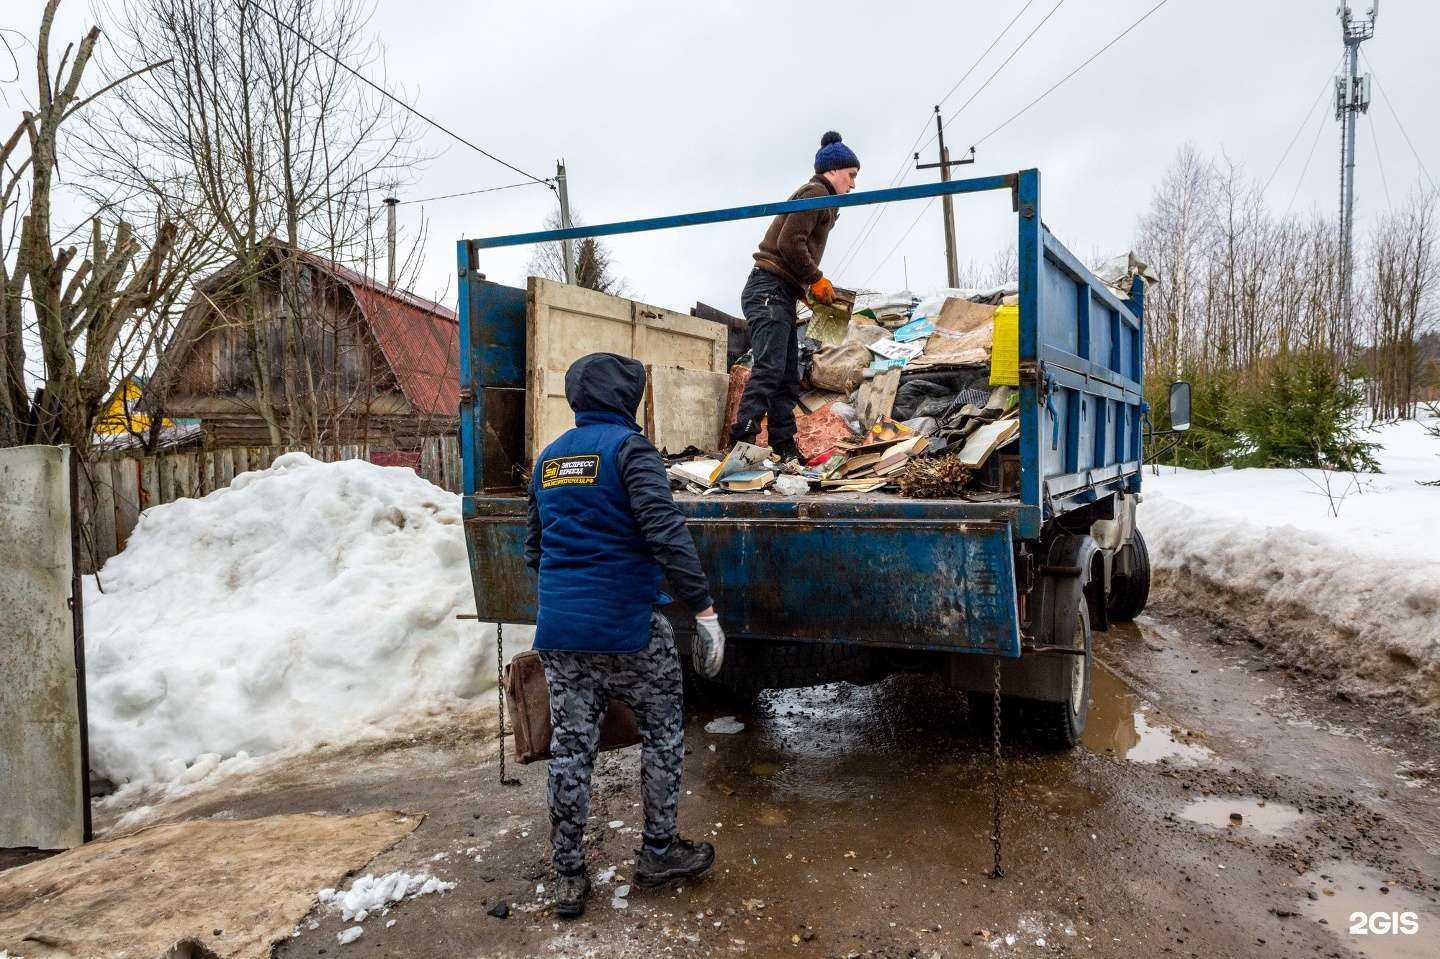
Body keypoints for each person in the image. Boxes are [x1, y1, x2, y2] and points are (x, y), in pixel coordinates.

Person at [524, 352, 725, 919]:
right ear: (626, 398)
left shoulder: (548, 460)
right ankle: (658, 854)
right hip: (630, 630)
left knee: (570, 751)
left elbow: (534, 550)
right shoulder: (628, 451)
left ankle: (568, 877)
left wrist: (570, 600)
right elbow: (665, 533)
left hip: (562, 637)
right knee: (662, 732)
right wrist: (704, 610)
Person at [731, 130, 861, 461]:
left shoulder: (823, 201)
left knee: (787, 377)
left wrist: (806, 291)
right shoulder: (816, 192)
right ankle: (741, 443)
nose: (853, 184)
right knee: (770, 368)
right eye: (851, 175)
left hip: (780, 291)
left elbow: (789, 253)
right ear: (833, 171)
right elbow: (790, 243)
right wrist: (815, 278)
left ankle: (784, 448)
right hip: (767, 290)